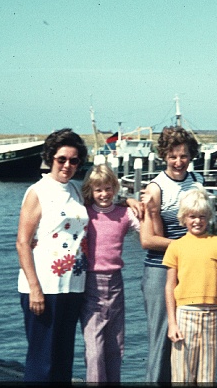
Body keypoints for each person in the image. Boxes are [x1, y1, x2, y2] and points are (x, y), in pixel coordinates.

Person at [16, 128, 89, 383]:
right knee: (42, 359)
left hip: (73, 287)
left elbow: (105, 199)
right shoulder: (38, 192)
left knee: (63, 358)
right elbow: (22, 243)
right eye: (62, 159)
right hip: (44, 288)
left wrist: (129, 202)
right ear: (50, 158)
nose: (67, 165)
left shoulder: (76, 191)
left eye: (73, 160)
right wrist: (35, 288)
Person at [139, 125, 204, 383]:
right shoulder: (156, 189)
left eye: (184, 156)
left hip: (190, 270)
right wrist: (186, 247)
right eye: (173, 156)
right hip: (160, 269)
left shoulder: (197, 182)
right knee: (162, 338)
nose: (178, 162)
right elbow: (147, 240)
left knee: (188, 337)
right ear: (164, 156)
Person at [163, 187, 217, 383]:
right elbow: (170, 286)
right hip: (184, 314)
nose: (197, 221)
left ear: (209, 217)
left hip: (211, 315)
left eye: (202, 216)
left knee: (207, 377)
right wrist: (172, 323)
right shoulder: (175, 246)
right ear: (184, 218)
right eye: (192, 216)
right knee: (182, 376)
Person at [79, 164, 141, 383]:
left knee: (115, 344)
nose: (103, 194)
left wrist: (132, 203)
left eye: (107, 188)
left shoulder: (124, 214)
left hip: (115, 282)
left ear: (115, 188)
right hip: (90, 283)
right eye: (98, 190)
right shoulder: (84, 212)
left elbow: (145, 228)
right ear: (90, 191)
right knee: (94, 348)